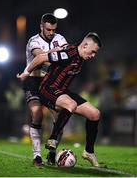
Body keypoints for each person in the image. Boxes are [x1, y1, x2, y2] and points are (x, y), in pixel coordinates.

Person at [17, 32, 102, 167]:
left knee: (95, 114)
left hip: (61, 92)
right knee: (71, 104)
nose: (93, 55)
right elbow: (40, 58)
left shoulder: (81, 58)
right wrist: (26, 73)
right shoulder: (68, 53)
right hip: (47, 89)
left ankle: (89, 152)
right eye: (93, 52)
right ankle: (53, 139)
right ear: (85, 45)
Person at [22, 13, 68, 166]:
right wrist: (58, 55)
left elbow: (67, 56)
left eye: (53, 29)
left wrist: (62, 56)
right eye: (48, 29)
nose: (51, 32)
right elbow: (41, 57)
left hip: (51, 83)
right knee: (37, 112)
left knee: (59, 117)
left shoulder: (60, 39)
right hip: (33, 81)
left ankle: (52, 153)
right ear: (41, 26)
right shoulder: (33, 41)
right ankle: (37, 156)